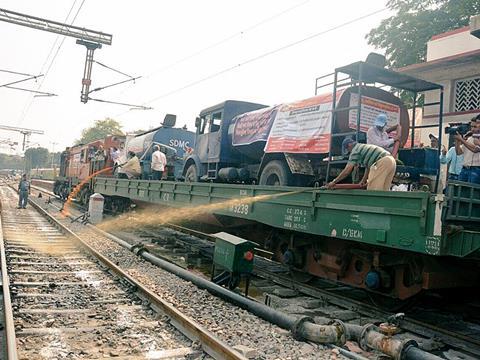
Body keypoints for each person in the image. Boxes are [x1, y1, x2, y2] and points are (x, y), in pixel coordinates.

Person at [326, 138, 396, 191]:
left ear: (349, 145)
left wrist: (334, 181)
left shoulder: (355, 150)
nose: (349, 152)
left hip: (382, 162)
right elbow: (368, 167)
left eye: (348, 149)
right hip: (391, 161)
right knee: (384, 190)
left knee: (373, 190)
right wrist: (363, 181)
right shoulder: (362, 147)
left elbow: (347, 171)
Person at [455, 120, 480, 184]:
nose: (472, 129)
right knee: (461, 191)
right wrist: (457, 141)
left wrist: (461, 139)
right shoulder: (469, 139)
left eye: (475, 127)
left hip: (476, 169)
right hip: (464, 169)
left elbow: (475, 149)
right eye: (471, 127)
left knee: (472, 192)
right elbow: (459, 152)